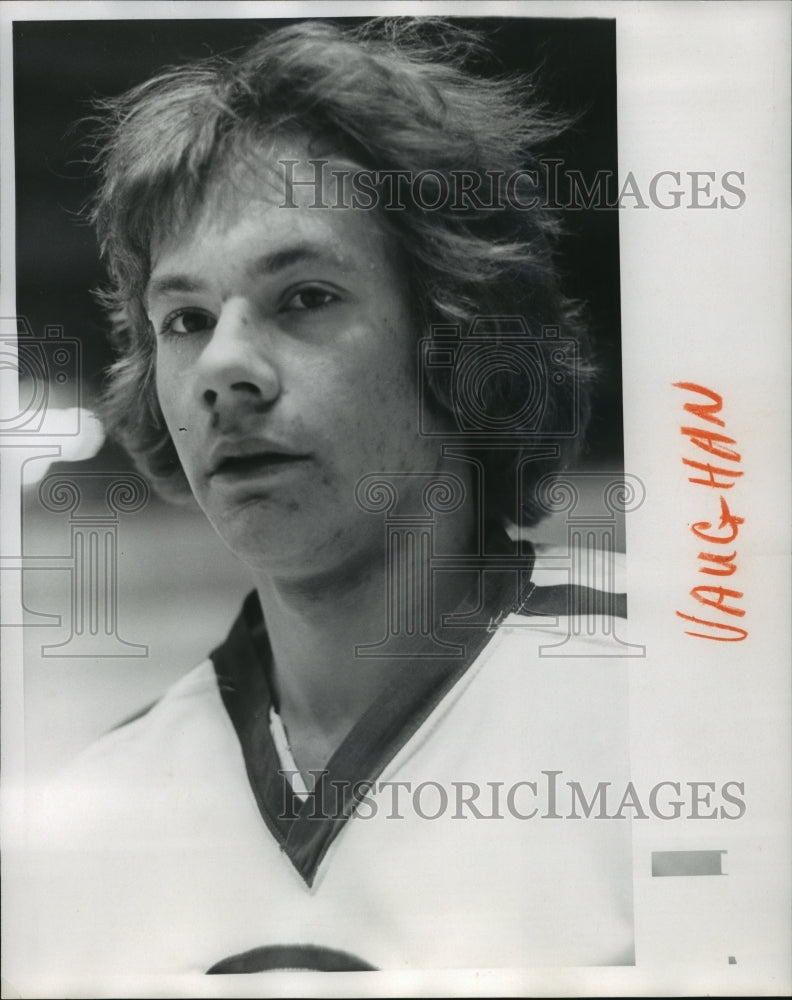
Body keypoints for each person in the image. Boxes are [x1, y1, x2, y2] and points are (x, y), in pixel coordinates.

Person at [22, 18, 633, 975]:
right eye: (184, 320)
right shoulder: (83, 828)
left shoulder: (678, 705)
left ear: (458, 342)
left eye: (305, 296)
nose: (223, 365)